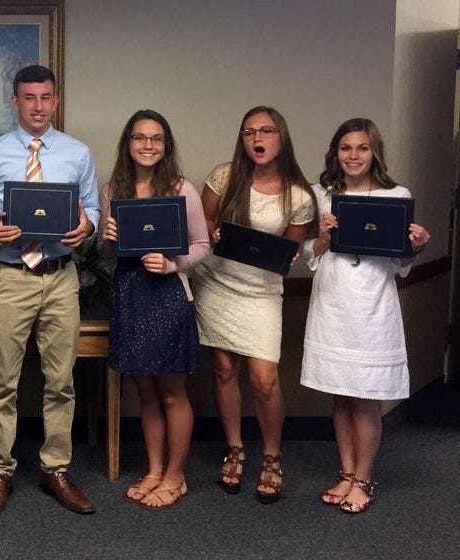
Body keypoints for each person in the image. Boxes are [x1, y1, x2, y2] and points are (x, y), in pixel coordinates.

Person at [0, 65, 99, 516]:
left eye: (46, 97)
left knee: (60, 380)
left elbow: (90, 207)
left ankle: (56, 468)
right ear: (14, 102)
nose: (38, 106)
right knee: (3, 381)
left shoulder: (78, 153)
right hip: (11, 277)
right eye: (29, 98)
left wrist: (85, 225)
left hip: (60, 276)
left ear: (56, 100)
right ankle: (0, 471)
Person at [300, 118, 429, 513]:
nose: (353, 155)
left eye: (362, 148)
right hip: (332, 304)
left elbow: (400, 260)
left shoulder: (397, 195)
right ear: (335, 152)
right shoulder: (322, 194)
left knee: (365, 398)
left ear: (374, 152)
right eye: (346, 148)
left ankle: (364, 478)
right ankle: (346, 472)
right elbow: (308, 254)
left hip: (372, 307)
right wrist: (322, 238)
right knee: (341, 395)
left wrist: (418, 247)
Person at [194, 105, 316, 503]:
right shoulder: (223, 177)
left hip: (261, 291)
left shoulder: (299, 195)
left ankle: (272, 456)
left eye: (266, 131)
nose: (257, 139)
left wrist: (289, 254)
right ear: (242, 139)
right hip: (216, 282)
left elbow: (291, 250)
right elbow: (200, 228)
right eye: (249, 132)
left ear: (281, 137)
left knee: (264, 378)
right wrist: (211, 231)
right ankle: (234, 449)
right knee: (224, 367)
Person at [98, 110, 210, 509]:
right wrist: (108, 239)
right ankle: (154, 469)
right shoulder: (114, 189)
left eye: (156, 138)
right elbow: (104, 252)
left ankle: (175, 477)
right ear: (128, 143)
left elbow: (202, 245)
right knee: (145, 391)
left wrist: (172, 263)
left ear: (166, 145)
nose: (148, 145)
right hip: (130, 294)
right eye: (140, 137)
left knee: (172, 392)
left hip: (168, 295)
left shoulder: (182, 189)